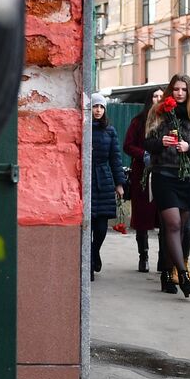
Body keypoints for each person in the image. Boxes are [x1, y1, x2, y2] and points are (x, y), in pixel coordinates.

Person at [143, 74, 190, 297]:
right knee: (172, 224)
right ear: (170, 91)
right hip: (164, 174)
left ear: (189, 92)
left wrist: (189, 147)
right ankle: (182, 274)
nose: (180, 93)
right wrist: (160, 143)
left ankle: (167, 272)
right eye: (176, 89)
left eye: (183, 89)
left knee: (179, 228)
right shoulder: (158, 113)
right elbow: (146, 142)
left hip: (188, 176)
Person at [123, 88, 165, 273]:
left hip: (164, 172)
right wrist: (143, 154)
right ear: (150, 99)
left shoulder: (170, 120)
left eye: (162, 96)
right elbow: (128, 145)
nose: (158, 99)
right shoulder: (139, 121)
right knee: (142, 216)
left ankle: (164, 258)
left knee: (164, 217)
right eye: (155, 96)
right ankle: (144, 255)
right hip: (142, 174)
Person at [89, 94, 126, 281]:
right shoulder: (83, 127)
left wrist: (119, 183)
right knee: (88, 225)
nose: (98, 110)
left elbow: (115, 158)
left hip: (103, 179)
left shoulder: (109, 130)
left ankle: (95, 251)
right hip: (86, 178)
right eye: (95, 106)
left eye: (101, 107)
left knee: (101, 227)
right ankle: (88, 264)